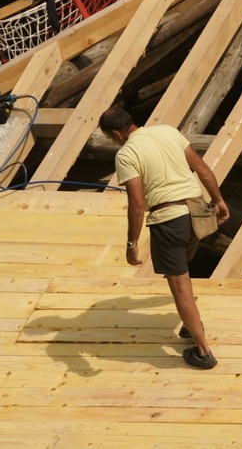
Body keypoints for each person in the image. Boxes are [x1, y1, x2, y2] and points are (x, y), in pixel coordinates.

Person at [99, 107, 230, 369]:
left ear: (117, 134)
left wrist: (132, 243)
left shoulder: (126, 154)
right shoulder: (168, 132)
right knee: (184, 274)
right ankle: (192, 325)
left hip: (169, 222)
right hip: (196, 215)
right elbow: (202, 168)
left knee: (179, 287)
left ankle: (203, 352)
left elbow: (137, 202)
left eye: (110, 139)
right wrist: (219, 200)